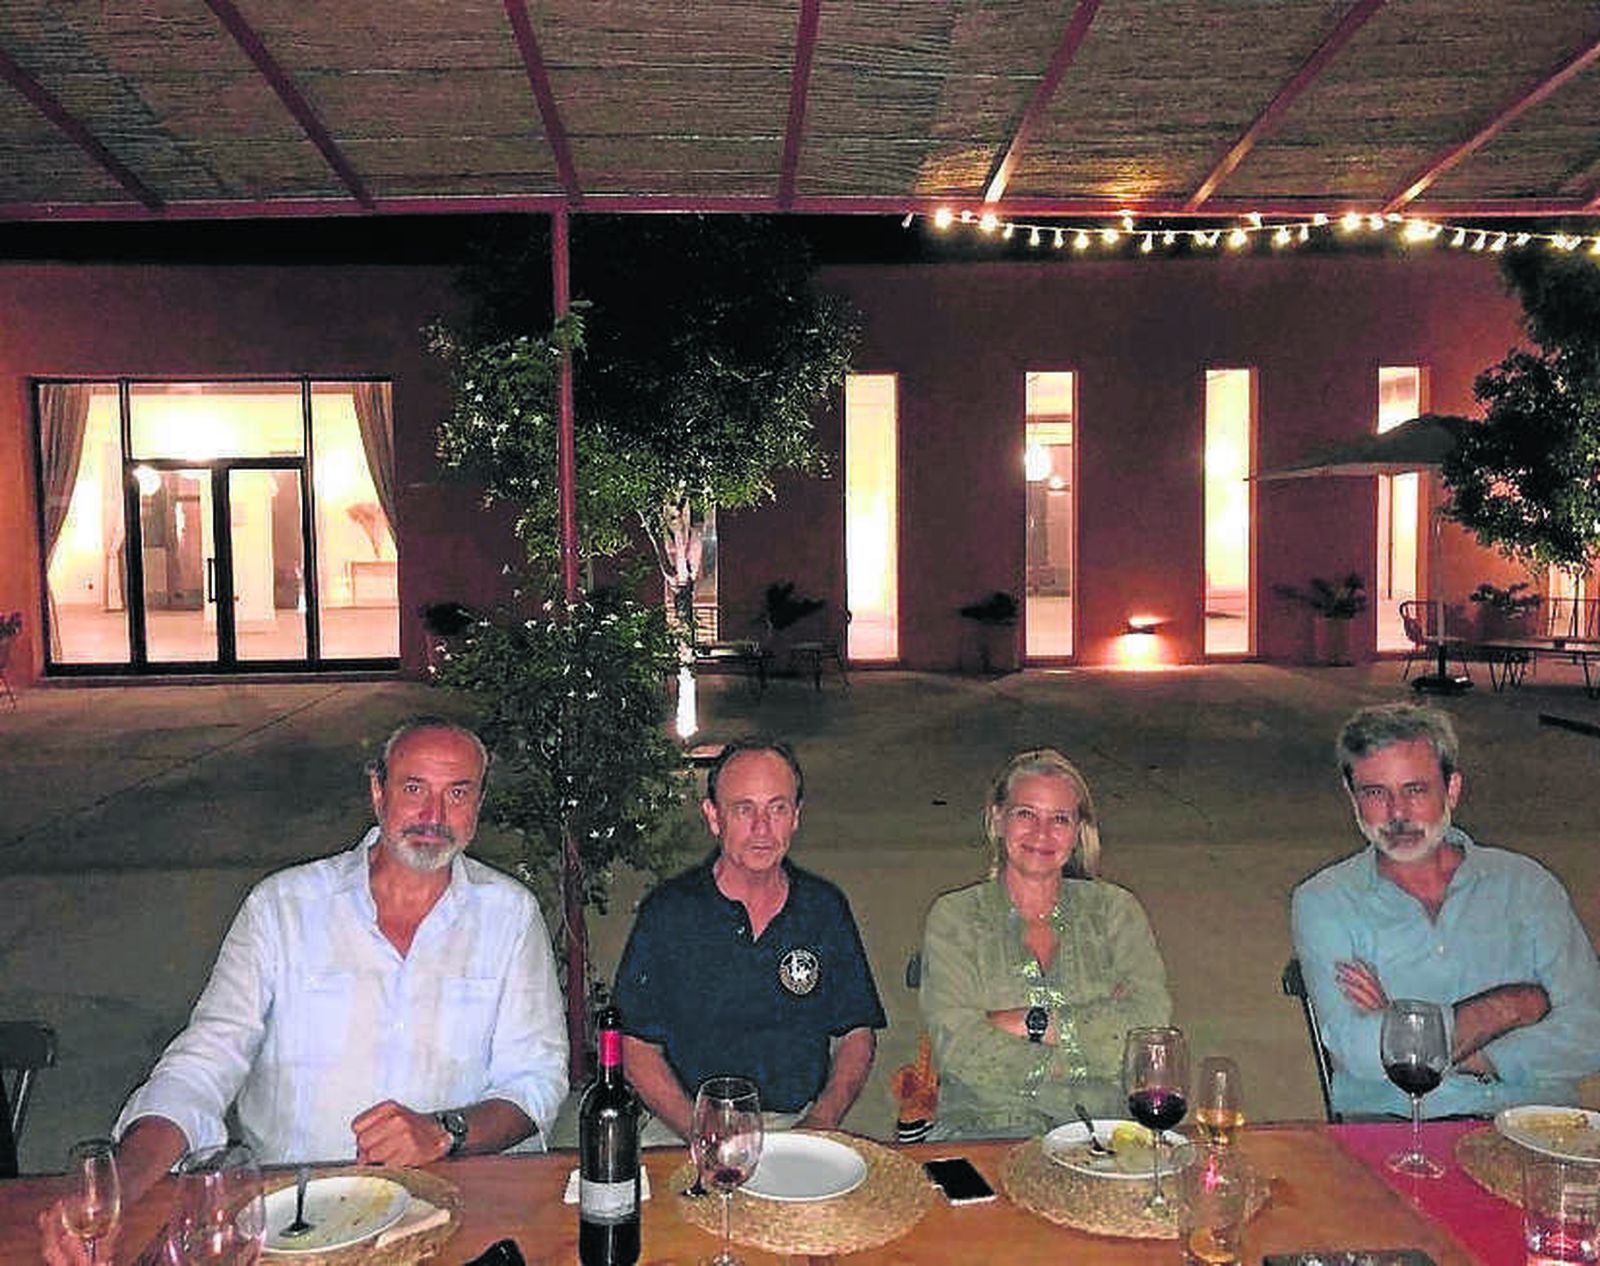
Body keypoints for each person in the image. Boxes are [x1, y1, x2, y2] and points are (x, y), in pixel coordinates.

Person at [41, 717, 568, 1263]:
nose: (434, 816)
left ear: (478, 803)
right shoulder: (283, 908)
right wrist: (121, 1185)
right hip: (294, 1215)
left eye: (457, 793)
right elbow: (203, 1064)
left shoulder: (509, 915)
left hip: (456, 1205)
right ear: (377, 790)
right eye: (414, 788)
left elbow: (536, 1080)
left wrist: (445, 1132)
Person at [1291, 702, 1600, 1118]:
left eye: (1415, 790)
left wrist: (1416, 1037)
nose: (1397, 813)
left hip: (1538, 1123)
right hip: (1401, 1126)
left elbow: (1590, 1032)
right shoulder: (1326, 901)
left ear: (1451, 789)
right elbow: (1360, 1053)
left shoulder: (1527, 886)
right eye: (1375, 793)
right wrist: (1508, 1008)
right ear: (1352, 797)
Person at [612, 737, 885, 1141]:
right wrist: (698, 1129)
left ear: (796, 816)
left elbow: (856, 1031)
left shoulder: (824, 909)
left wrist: (822, 1120)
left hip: (797, 1123)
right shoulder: (668, 913)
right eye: (744, 809)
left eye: (777, 808)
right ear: (713, 817)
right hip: (685, 1123)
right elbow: (634, 1045)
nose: (762, 828)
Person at [918, 748, 1171, 1139]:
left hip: (1105, 1129)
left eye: (1059, 819)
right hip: (985, 1128)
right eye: (1026, 814)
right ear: (997, 819)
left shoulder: (1114, 911)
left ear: (1078, 830)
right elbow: (960, 1051)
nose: (1042, 833)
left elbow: (1149, 1032)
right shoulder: (956, 916)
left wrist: (1027, 1024)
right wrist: (1093, 1042)